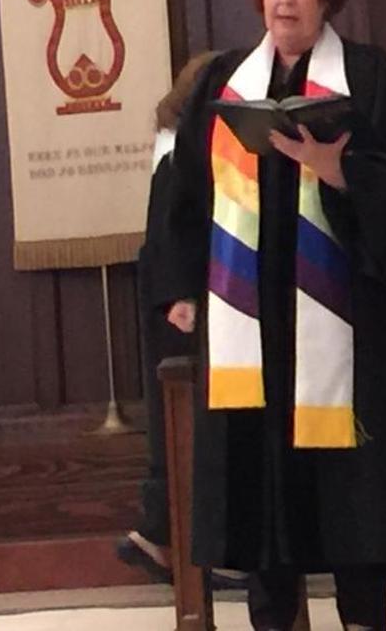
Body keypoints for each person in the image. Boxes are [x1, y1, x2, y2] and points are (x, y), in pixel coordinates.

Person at [160, 0, 386, 631]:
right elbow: (183, 194)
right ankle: (274, 617)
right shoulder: (222, 82)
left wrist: (339, 172)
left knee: (349, 477)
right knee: (257, 472)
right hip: (246, 311)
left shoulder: (367, 74)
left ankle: (364, 616)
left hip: (342, 313)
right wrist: (180, 289)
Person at [115, 51, 247, 592]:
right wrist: (182, 296)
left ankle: (171, 537)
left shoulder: (171, 144)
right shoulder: (179, 153)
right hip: (181, 301)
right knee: (184, 424)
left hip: (176, 294)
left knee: (184, 424)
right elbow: (174, 233)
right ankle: (170, 537)